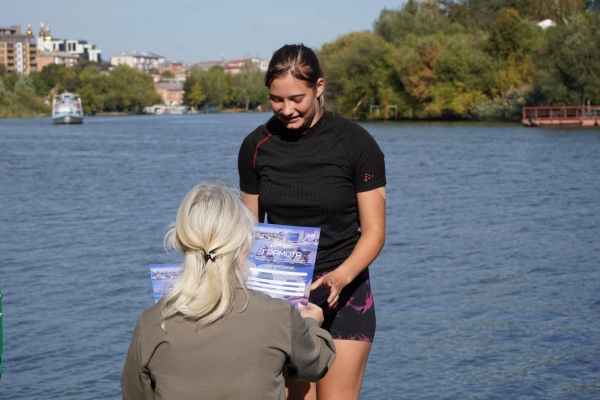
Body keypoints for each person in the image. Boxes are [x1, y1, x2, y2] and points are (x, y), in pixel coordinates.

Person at [238, 44, 386, 400]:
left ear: (319, 87)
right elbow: (248, 235)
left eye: (297, 98)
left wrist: (340, 276)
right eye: (276, 99)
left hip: (345, 293)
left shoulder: (357, 144)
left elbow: (375, 233)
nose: (286, 109)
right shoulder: (255, 147)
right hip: (282, 298)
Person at [121, 183, 336, 400]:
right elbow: (314, 365)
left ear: (180, 242)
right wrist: (310, 324)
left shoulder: (151, 322)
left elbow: (134, 394)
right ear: (244, 244)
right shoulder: (279, 315)